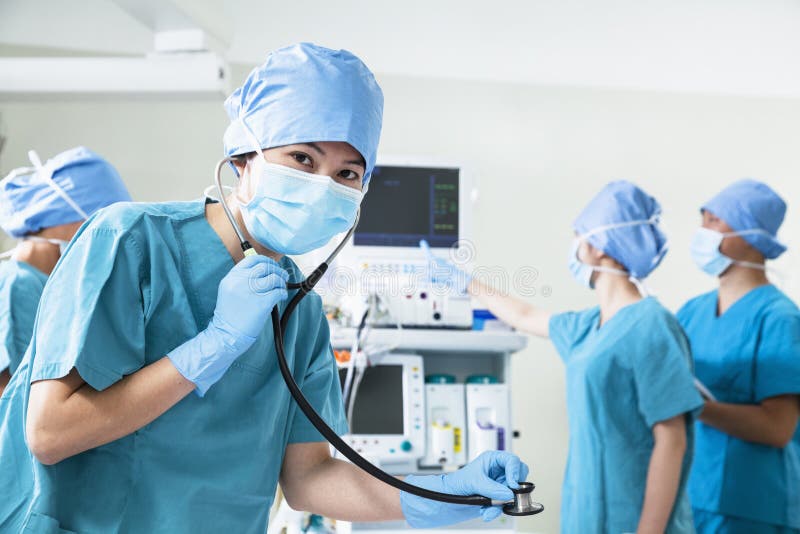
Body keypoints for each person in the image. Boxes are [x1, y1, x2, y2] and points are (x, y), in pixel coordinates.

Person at [0, 43, 528, 533]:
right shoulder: (129, 241)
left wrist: (433, 494)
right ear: (242, 158)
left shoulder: (300, 312)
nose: (323, 184)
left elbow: (308, 478)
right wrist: (213, 345)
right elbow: (50, 433)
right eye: (303, 158)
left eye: (347, 173)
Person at [424, 180, 704, 533]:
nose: (574, 246)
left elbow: (672, 439)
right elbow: (525, 317)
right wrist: (465, 282)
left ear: (601, 246)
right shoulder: (588, 326)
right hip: (585, 516)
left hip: (635, 521)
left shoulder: (651, 324)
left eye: (579, 235)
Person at [677, 180, 800, 534]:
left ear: (752, 234)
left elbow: (778, 428)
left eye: (714, 221)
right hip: (692, 495)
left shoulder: (778, 318)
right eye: (702, 220)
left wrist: (695, 406)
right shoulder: (691, 312)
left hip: (753, 505)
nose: (702, 232)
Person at [0, 147, 130, 396]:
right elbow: (11, 398)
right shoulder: (17, 284)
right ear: (65, 220)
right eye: (101, 228)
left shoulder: (49, 287)